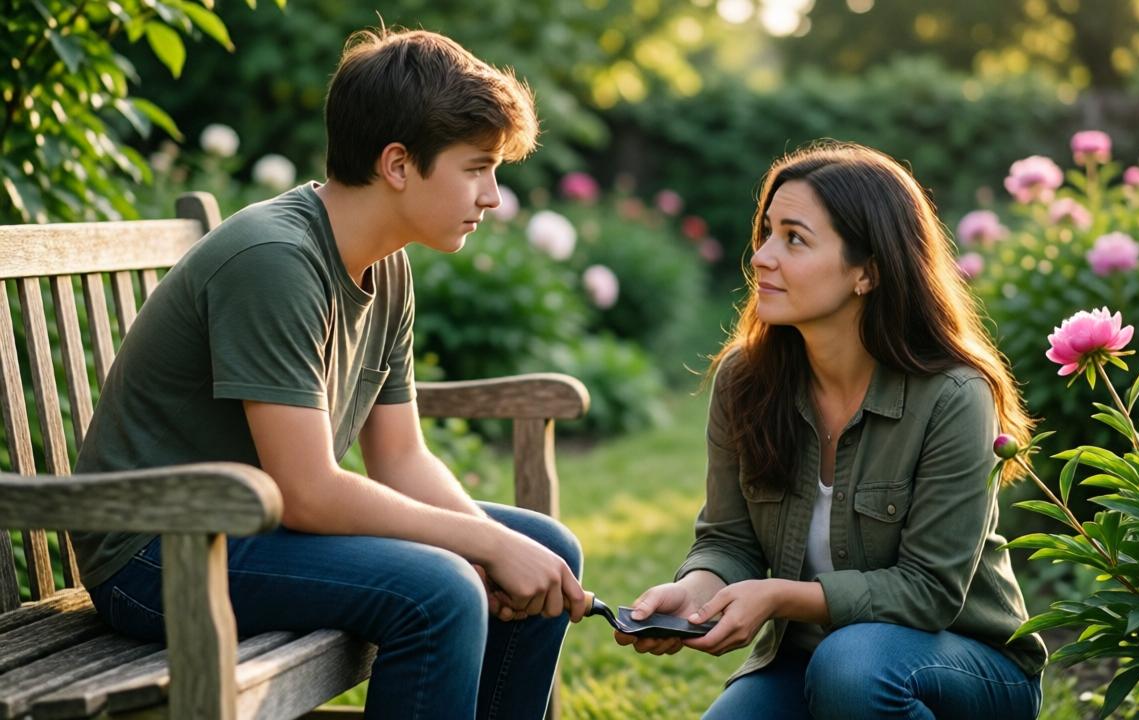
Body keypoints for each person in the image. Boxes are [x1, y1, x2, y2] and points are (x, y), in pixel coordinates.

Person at [70, 27, 589, 719]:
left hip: (248, 529)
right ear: (399, 164)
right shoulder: (276, 260)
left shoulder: (387, 264)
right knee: (442, 592)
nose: (493, 196)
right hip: (158, 552)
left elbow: (401, 458)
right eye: (476, 167)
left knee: (545, 546)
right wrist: (484, 545)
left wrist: (501, 549)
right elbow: (309, 491)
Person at [614, 142, 1048, 719]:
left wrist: (777, 598)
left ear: (867, 271)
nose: (763, 257)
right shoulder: (745, 379)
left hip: (965, 666)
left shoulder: (954, 396)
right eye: (766, 232)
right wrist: (692, 593)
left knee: (851, 667)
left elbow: (929, 594)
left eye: (794, 238)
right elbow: (728, 540)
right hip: (807, 660)